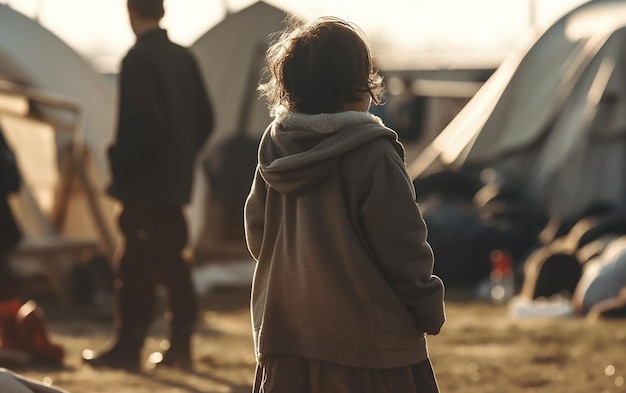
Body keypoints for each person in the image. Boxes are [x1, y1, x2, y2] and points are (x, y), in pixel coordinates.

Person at [244, 16, 446, 392]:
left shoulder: (275, 147)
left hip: (287, 336)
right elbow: (401, 246)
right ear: (360, 84)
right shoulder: (373, 153)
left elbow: (258, 235)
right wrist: (427, 303)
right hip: (367, 352)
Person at [83, 0, 214, 372]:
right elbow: (206, 118)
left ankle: (129, 348)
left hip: (144, 184)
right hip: (173, 182)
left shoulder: (139, 59)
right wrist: (181, 159)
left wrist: (118, 157)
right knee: (173, 261)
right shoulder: (183, 57)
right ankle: (179, 346)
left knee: (135, 265)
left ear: (130, 12)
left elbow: (147, 126)